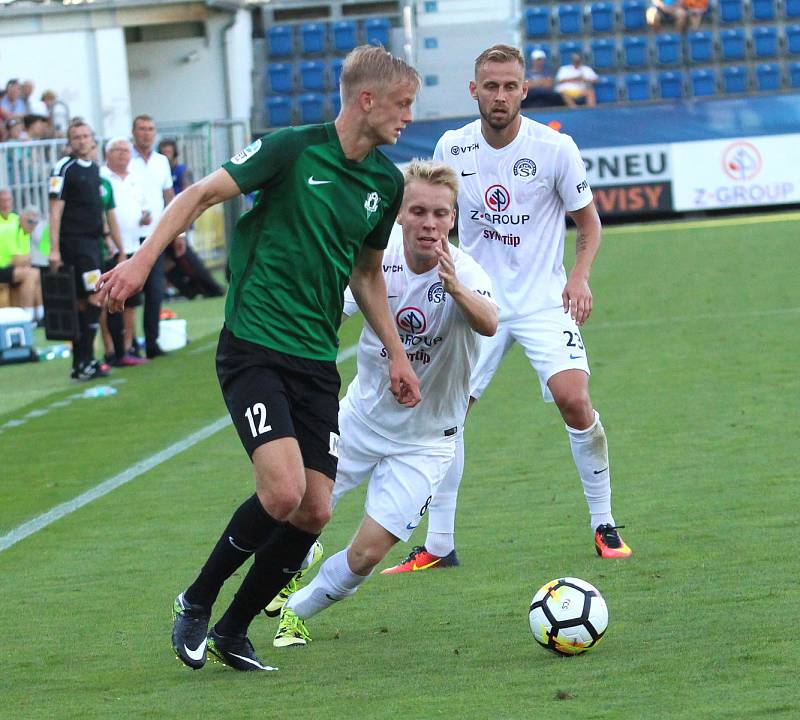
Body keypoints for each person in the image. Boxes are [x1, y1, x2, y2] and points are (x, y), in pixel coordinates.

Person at [97, 44, 422, 672]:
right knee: (281, 492)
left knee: (316, 507)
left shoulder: (385, 182)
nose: (409, 116)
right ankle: (196, 599)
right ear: (367, 100)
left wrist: (397, 353)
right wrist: (140, 262)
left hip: (315, 360)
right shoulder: (291, 149)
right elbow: (197, 195)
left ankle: (233, 630)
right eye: (403, 104)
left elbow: (367, 272)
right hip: (254, 346)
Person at [382, 44, 632, 574]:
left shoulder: (555, 148)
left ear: (524, 89)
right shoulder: (453, 147)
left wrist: (580, 277)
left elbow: (588, 224)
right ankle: (440, 544)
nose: (500, 96)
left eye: (509, 86)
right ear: (474, 90)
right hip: (477, 304)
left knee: (574, 400)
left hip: (543, 300)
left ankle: (604, 523)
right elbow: (428, 215)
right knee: (448, 418)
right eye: (490, 86)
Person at [270, 159, 498, 647]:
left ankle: (297, 609)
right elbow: (332, 309)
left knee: (367, 554)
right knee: (295, 514)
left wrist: (454, 287)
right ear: (399, 214)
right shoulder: (378, 262)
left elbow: (489, 322)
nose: (429, 223)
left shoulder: (470, 274)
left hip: (426, 442)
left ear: (453, 219)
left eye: (440, 213)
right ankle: (294, 560)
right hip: (358, 421)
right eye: (418, 211)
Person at [48, 120, 125, 380]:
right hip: (76, 244)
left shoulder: (94, 170)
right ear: (69, 142)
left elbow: (96, 210)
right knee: (95, 296)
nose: (81, 140)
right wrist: (54, 249)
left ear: (92, 139)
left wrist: (108, 237)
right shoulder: (64, 169)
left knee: (84, 303)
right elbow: (55, 211)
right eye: (76, 137)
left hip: (94, 244)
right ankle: (86, 360)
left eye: (85, 136)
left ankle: (81, 363)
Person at [130, 114, 181, 359]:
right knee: (130, 292)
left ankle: (152, 342)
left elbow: (169, 197)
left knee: (155, 290)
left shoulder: (161, 161)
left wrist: (178, 231)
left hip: (155, 236)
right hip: (130, 234)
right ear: (134, 132)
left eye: (151, 129)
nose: (147, 133)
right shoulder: (125, 160)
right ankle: (127, 344)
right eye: (142, 129)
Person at [100, 137, 149, 366]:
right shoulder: (100, 178)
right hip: (110, 249)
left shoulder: (136, 179)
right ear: (107, 153)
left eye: (126, 150)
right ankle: (110, 347)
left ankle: (129, 345)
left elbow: (141, 206)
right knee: (107, 298)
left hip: (134, 245)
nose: (122, 154)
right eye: (117, 150)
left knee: (131, 301)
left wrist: (144, 216)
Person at [0, 189, 40, 318]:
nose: (5, 203)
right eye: (2, 200)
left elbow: (26, 255)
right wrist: (22, 259)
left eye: (8, 200)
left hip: (12, 267)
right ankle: (29, 317)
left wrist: (22, 259)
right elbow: (17, 258)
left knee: (35, 273)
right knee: (30, 274)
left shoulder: (17, 220)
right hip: (3, 267)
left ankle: (35, 314)